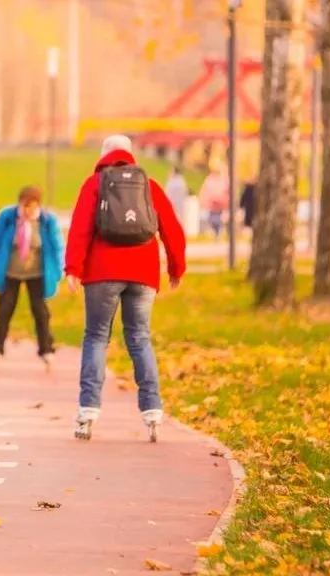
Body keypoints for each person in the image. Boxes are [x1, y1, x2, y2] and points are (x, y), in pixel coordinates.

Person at [63, 134, 186, 441]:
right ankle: (153, 411)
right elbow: (172, 228)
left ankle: (87, 412)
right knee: (140, 337)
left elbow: (80, 228)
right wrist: (176, 267)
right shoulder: (149, 185)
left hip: (102, 273)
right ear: (131, 155)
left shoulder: (94, 184)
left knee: (96, 337)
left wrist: (73, 269)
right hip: (143, 274)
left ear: (104, 155)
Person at [0, 185, 64, 372]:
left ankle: (46, 349)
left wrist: (59, 269)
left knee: (41, 312)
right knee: (4, 310)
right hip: (10, 272)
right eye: (24, 206)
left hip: (37, 273)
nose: (27, 211)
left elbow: (57, 246)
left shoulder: (47, 221)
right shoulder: (8, 217)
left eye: (32, 206)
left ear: (38, 205)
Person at [198, 165, 230, 239]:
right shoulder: (210, 180)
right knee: (213, 219)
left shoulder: (223, 180)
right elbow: (205, 192)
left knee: (219, 219)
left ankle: (218, 233)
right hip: (213, 205)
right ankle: (217, 233)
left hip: (220, 205)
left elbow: (227, 191)